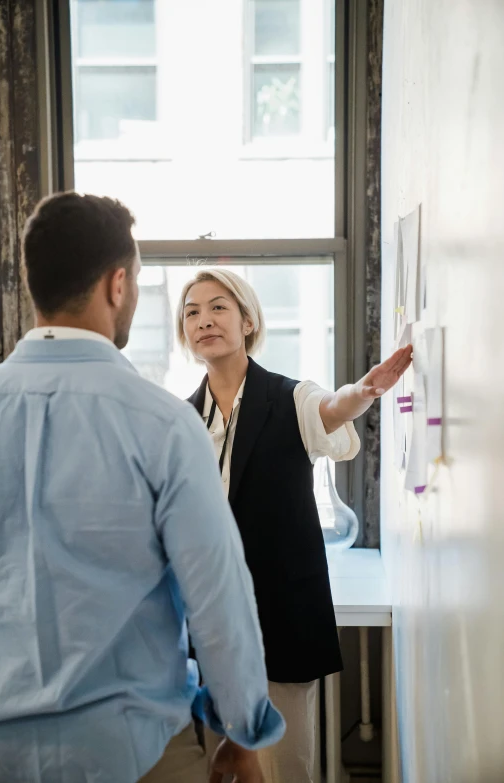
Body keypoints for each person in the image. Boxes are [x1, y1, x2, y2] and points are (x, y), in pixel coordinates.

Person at [0, 193, 285, 783]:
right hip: (136, 751)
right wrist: (241, 732)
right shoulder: (164, 425)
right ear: (117, 285)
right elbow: (217, 597)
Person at [177, 268, 412, 783]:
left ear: (247, 320)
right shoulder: (182, 418)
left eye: (218, 307)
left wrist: (365, 390)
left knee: (286, 762)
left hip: (282, 610)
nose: (204, 320)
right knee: (219, 763)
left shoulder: (289, 397)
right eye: (192, 312)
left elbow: (332, 408)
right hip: (209, 619)